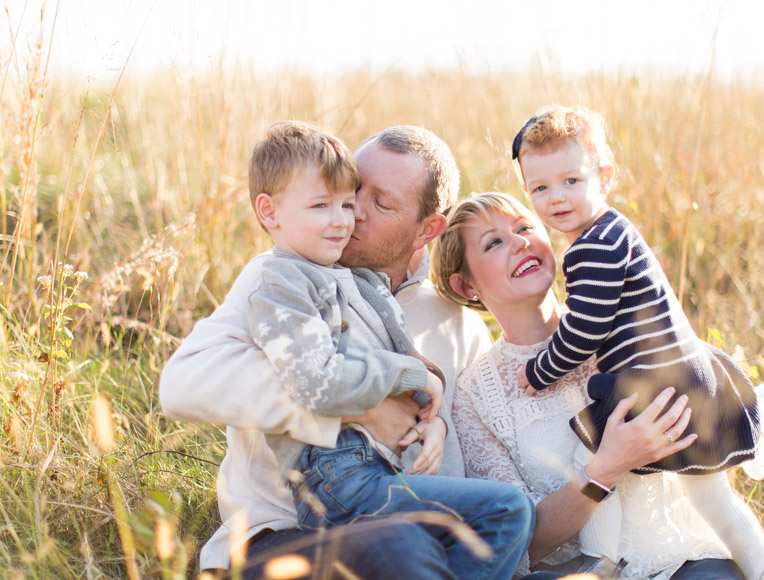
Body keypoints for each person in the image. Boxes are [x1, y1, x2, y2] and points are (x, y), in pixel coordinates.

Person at [158, 125, 517, 579]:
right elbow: (180, 385)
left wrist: (435, 421)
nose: (351, 215)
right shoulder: (282, 277)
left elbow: (476, 474)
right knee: (400, 546)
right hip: (282, 535)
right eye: (349, 189)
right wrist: (357, 409)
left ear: (428, 229)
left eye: (377, 203)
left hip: (412, 532)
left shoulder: (457, 324)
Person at [507, 105, 764, 580]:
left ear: (604, 177)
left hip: (655, 381)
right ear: (527, 191)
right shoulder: (611, 230)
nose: (556, 197)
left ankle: (597, 565)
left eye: (571, 181)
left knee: (597, 466)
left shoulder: (592, 246)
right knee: (710, 495)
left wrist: (539, 370)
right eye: (540, 188)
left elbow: (585, 329)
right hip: (684, 372)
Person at [432, 191, 764, 579]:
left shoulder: (627, 328)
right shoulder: (475, 395)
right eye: (494, 242)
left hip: (681, 558)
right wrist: (604, 469)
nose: (519, 242)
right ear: (466, 286)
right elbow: (522, 542)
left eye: (525, 227)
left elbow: (703, 415)